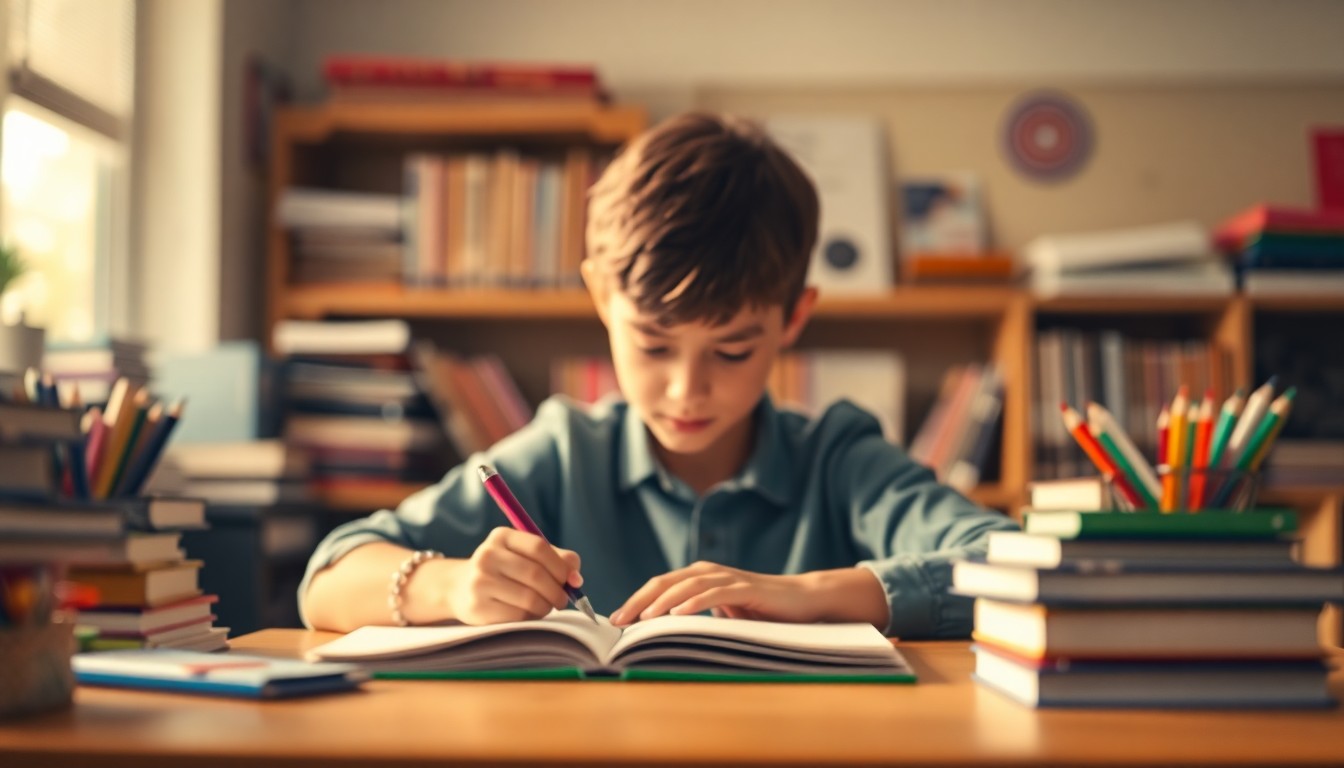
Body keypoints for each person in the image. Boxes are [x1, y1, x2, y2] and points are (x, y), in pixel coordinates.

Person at [300, 112, 1017, 638]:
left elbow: (1012, 565)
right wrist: (453, 584)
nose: (685, 390)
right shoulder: (563, 453)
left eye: (732, 351)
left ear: (794, 318)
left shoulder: (838, 459)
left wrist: (818, 594)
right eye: (652, 344)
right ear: (602, 299)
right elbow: (328, 578)